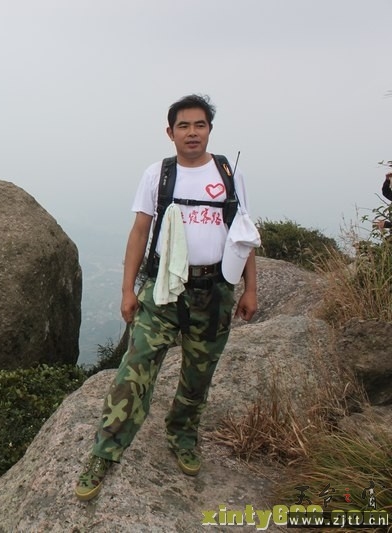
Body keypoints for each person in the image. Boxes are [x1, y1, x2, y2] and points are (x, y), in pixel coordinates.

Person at [74, 94, 258, 501]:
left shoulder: (228, 172)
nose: (192, 133)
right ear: (170, 131)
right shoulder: (158, 174)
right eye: (184, 126)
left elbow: (243, 233)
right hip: (163, 290)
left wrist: (251, 289)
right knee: (135, 368)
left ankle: (182, 435)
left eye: (200, 125)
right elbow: (140, 231)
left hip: (215, 291)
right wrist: (127, 290)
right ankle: (105, 451)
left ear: (209, 129)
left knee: (198, 374)